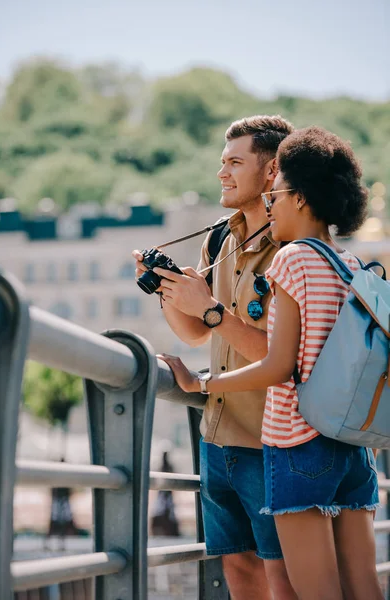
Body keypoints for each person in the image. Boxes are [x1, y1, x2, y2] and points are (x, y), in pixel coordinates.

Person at [159, 126, 383, 600]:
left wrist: (200, 384)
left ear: (298, 197)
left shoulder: (291, 259)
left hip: (296, 446)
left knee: (310, 592)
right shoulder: (351, 265)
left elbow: (281, 365)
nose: (272, 205)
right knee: (363, 587)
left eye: (278, 194)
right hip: (350, 447)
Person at [134, 115, 297, 600]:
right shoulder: (221, 238)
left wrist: (208, 310)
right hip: (217, 438)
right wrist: (169, 290)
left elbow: (278, 355)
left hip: (273, 442)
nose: (221, 174)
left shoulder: (292, 246)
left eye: (233, 163)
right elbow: (195, 333)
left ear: (271, 173)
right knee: (240, 573)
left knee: (282, 576)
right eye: (221, 163)